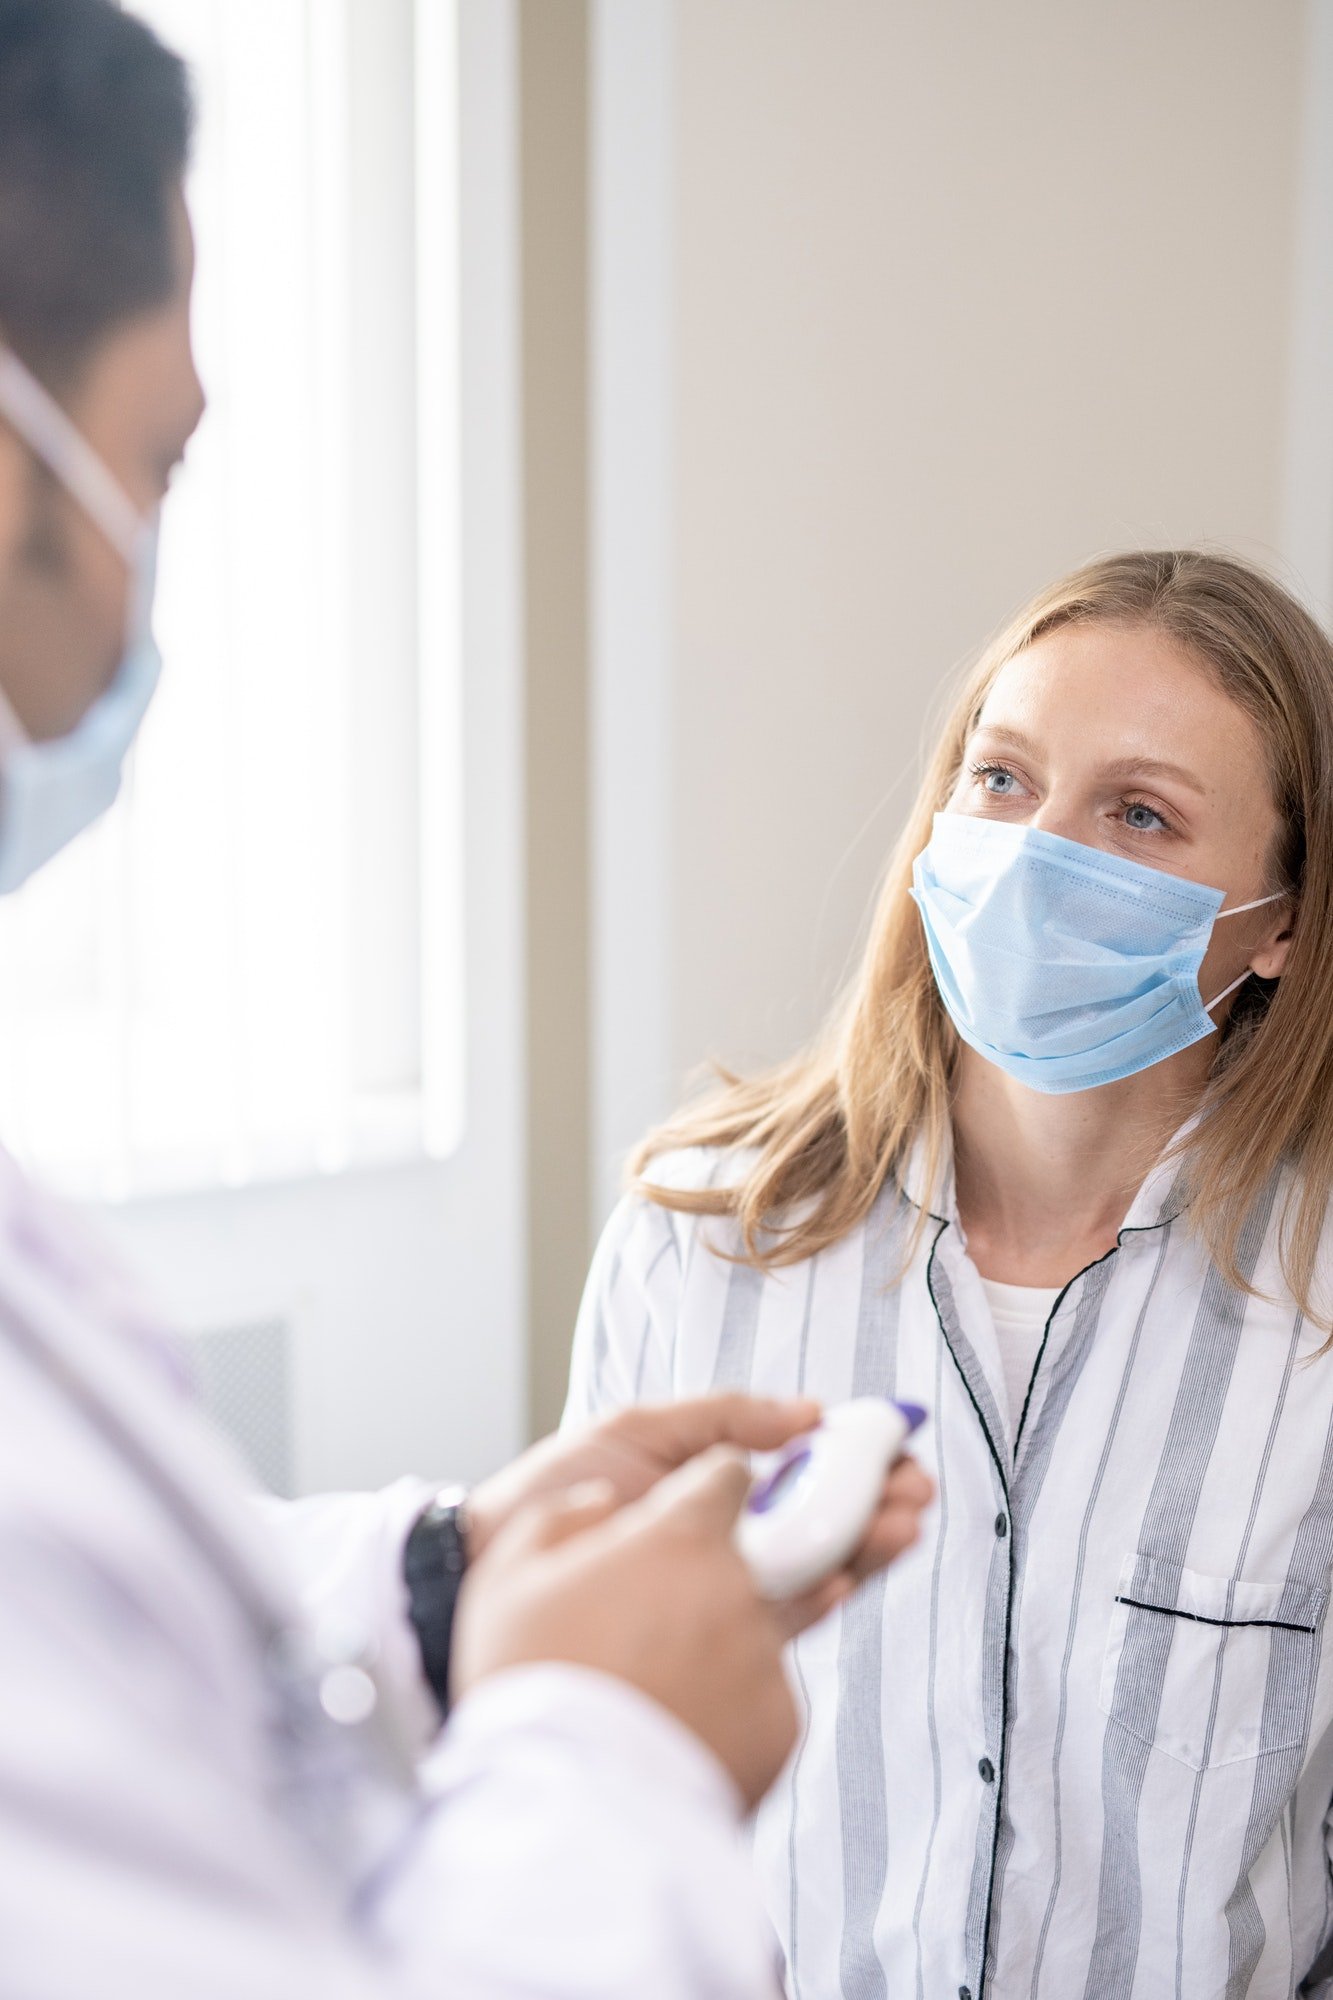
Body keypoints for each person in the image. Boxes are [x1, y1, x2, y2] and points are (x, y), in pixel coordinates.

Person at [0, 5, 935, 1996]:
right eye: (158, 458)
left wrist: (446, 1580)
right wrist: (603, 1743)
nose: (139, 595)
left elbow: (100, 1623)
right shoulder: (709, 1218)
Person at [567, 546, 1333, 2000]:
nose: (1038, 850)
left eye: (1138, 813)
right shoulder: (700, 1240)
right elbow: (591, 1758)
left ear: (1282, 924)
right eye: (1001, 778)